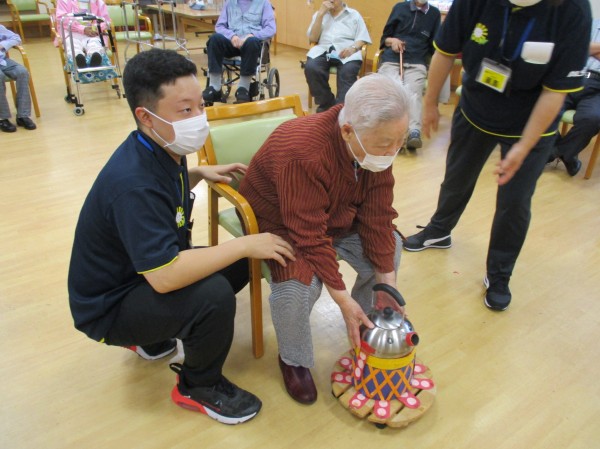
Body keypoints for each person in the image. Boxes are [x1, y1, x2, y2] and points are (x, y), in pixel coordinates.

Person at [67, 48, 295, 425]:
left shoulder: (158, 146)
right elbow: (165, 275)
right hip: (109, 307)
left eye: (200, 105)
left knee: (238, 262)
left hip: (134, 275)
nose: (199, 118)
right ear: (146, 115)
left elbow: (160, 193)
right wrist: (243, 242)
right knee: (214, 294)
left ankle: (152, 336)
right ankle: (198, 385)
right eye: (185, 110)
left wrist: (197, 174)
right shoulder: (133, 184)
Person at [403, 0, 591, 311]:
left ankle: (499, 274)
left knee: (514, 202)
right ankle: (439, 230)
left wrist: (524, 146)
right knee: (456, 178)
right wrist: (430, 103)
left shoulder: (573, 10)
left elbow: (555, 92)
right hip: (476, 108)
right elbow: (445, 52)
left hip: (532, 121)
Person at [239, 73, 409, 405]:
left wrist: (386, 289)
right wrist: (342, 299)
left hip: (336, 215)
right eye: (386, 144)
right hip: (283, 223)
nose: (393, 151)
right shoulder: (303, 151)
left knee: (391, 249)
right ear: (347, 131)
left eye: (400, 141)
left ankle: (367, 320)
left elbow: (378, 216)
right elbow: (308, 235)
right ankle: (293, 359)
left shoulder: (375, 143)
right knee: (296, 289)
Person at [378, 0, 440, 151]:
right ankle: (390, 132)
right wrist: (392, 41)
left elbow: (434, 46)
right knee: (391, 90)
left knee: (413, 92)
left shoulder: (434, 13)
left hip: (417, 63)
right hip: (392, 60)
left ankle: (414, 132)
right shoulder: (399, 7)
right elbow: (385, 38)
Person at [548, 18, 600, 177]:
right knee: (544, 105)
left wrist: (589, 48)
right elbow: (575, 47)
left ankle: (554, 152)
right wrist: (585, 48)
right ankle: (567, 155)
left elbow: (584, 48)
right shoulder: (590, 23)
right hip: (573, 75)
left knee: (593, 118)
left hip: (598, 87)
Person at [202, 0, 276, 104]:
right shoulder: (229, 3)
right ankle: (215, 87)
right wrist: (232, 36)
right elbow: (220, 26)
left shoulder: (264, 3)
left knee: (252, 41)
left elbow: (271, 29)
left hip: (252, 46)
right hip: (232, 43)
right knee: (214, 39)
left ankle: (243, 88)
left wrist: (253, 35)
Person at [304, 0, 371, 113]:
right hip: (323, 49)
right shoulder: (319, 14)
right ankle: (327, 103)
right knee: (311, 67)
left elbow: (362, 38)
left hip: (347, 50)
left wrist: (353, 48)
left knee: (347, 71)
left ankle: (341, 108)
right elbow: (313, 38)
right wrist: (320, 15)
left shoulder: (354, 15)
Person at [0, 25, 36, 133]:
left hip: (3, 61)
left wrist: (3, 45)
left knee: (22, 72)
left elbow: (16, 38)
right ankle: (3, 118)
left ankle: (22, 115)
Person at [55, 0, 110, 68]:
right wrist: (83, 29)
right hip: (72, 31)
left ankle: (95, 56)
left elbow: (105, 20)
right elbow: (62, 19)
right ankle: (78, 58)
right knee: (72, 43)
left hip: (92, 33)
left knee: (95, 42)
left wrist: (96, 28)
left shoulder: (98, 1)